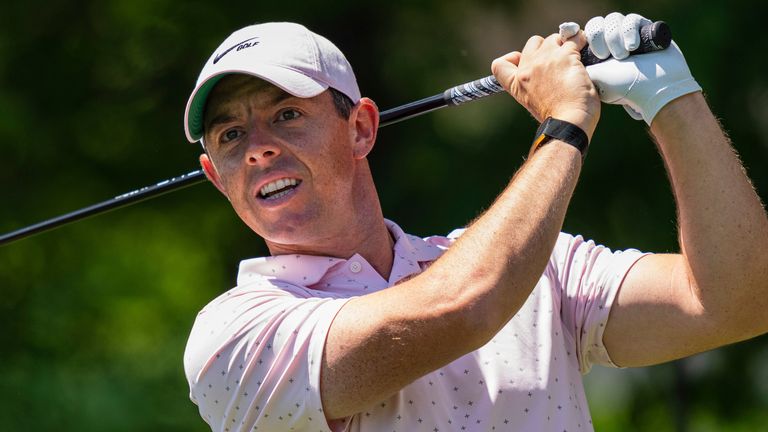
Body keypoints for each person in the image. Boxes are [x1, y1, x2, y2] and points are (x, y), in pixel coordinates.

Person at [181, 12, 768, 432]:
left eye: (287, 115)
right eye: (231, 135)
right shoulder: (232, 336)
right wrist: (564, 125)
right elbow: (463, 307)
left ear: (360, 128)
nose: (258, 148)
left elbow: (739, 301)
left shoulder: (539, 267)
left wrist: (671, 97)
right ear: (215, 175)